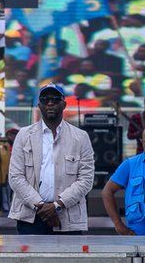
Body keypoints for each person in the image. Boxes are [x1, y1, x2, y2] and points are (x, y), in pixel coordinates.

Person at [8, 84, 95, 234]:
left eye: (55, 99)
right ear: (39, 105)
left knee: (67, 258)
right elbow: (15, 177)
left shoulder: (80, 137)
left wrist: (57, 206)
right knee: (29, 259)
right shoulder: (24, 135)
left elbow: (86, 179)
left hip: (67, 217)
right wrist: (41, 206)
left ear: (64, 104)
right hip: (31, 217)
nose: (50, 103)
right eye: (45, 99)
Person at [102, 125, 145, 236]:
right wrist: (118, 224)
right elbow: (107, 192)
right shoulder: (130, 164)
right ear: (141, 142)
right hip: (136, 235)